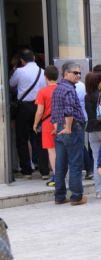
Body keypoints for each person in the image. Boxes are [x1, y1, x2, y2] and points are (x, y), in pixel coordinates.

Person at [51, 61, 87, 205]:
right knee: (75, 163)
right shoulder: (69, 89)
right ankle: (76, 196)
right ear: (66, 74)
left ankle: (59, 196)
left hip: (61, 128)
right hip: (71, 128)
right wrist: (68, 127)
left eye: (79, 73)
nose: (78, 75)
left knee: (60, 164)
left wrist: (57, 126)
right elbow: (68, 110)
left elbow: (54, 110)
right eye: (75, 73)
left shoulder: (58, 88)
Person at [9, 49, 49, 178]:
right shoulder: (43, 72)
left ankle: (26, 170)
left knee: (22, 139)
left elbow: (10, 84)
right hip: (39, 107)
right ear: (34, 58)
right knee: (40, 138)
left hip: (24, 108)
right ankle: (44, 171)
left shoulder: (19, 71)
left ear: (22, 60)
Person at [33, 65, 59, 186]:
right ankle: (64, 173)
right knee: (62, 149)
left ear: (46, 77)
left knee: (51, 150)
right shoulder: (61, 89)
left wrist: (35, 123)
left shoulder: (42, 92)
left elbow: (39, 111)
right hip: (62, 121)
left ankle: (56, 176)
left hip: (48, 123)